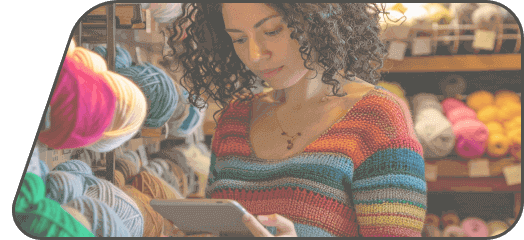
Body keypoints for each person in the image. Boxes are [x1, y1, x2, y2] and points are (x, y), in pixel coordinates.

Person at [164, 3, 427, 237]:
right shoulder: (235, 119)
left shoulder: (376, 117)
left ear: (316, 18)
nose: (254, 54)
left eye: (272, 31)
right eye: (239, 39)